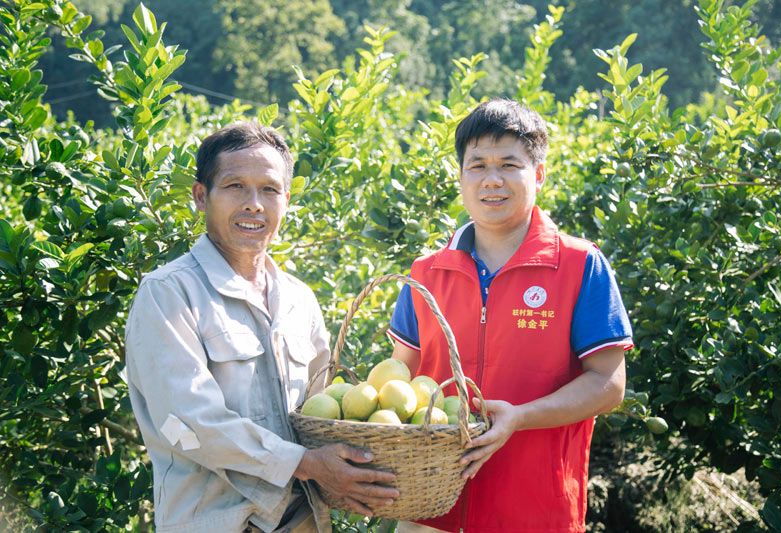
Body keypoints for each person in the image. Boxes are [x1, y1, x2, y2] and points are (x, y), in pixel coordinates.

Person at [125, 121, 398, 533]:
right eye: (235, 186)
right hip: (212, 522)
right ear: (201, 196)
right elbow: (189, 421)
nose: (254, 204)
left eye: (269, 189)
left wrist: (357, 469)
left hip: (303, 521)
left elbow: (319, 409)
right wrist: (307, 465)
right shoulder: (168, 294)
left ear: (286, 200)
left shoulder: (298, 299)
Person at [387, 99, 633, 532]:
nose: (492, 180)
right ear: (460, 176)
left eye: (509, 164)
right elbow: (398, 382)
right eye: (477, 165)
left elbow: (608, 385)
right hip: (429, 511)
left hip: (534, 510)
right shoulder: (426, 273)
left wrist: (520, 417)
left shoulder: (579, 265)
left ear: (538, 174)